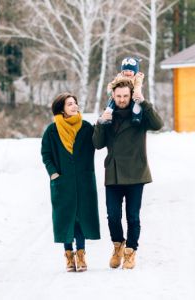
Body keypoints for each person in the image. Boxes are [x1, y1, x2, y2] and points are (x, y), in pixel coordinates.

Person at [93, 78, 163, 270]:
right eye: (119, 96)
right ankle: (118, 245)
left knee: (133, 217)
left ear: (131, 95)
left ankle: (131, 251)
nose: (122, 99)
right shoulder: (108, 114)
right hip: (114, 174)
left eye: (125, 96)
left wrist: (143, 102)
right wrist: (100, 122)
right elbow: (97, 144)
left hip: (136, 173)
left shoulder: (138, 114)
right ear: (113, 96)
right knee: (112, 216)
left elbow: (158, 124)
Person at [41, 92, 100, 272]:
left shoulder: (86, 128)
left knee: (81, 217)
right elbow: (46, 154)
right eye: (69, 104)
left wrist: (102, 126)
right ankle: (68, 256)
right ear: (62, 109)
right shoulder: (52, 131)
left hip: (84, 181)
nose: (74, 106)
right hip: (63, 182)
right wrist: (53, 173)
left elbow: (98, 142)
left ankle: (81, 254)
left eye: (75, 103)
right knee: (66, 218)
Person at [101, 56, 145, 125]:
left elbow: (138, 86)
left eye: (130, 71)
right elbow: (111, 84)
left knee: (136, 104)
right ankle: (108, 116)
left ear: (135, 72)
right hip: (119, 95)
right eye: (126, 71)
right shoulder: (119, 77)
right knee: (111, 102)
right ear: (122, 71)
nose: (128, 73)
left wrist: (136, 93)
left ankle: (136, 117)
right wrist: (110, 91)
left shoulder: (137, 78)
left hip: (132, 95)